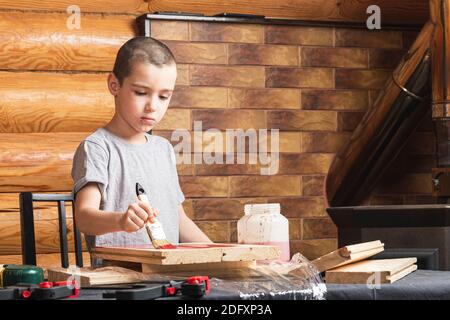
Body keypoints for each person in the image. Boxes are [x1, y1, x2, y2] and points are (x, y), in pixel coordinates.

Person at [71, 37, 212, 266]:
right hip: (121, 280)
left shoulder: (163, 149)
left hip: (169, 275)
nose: (153, 106)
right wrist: (121, 220)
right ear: (114, 85)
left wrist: (222, 255)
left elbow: (179, 220)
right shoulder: (98, 147)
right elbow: (84, 217)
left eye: (164, 96)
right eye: (140, 92)